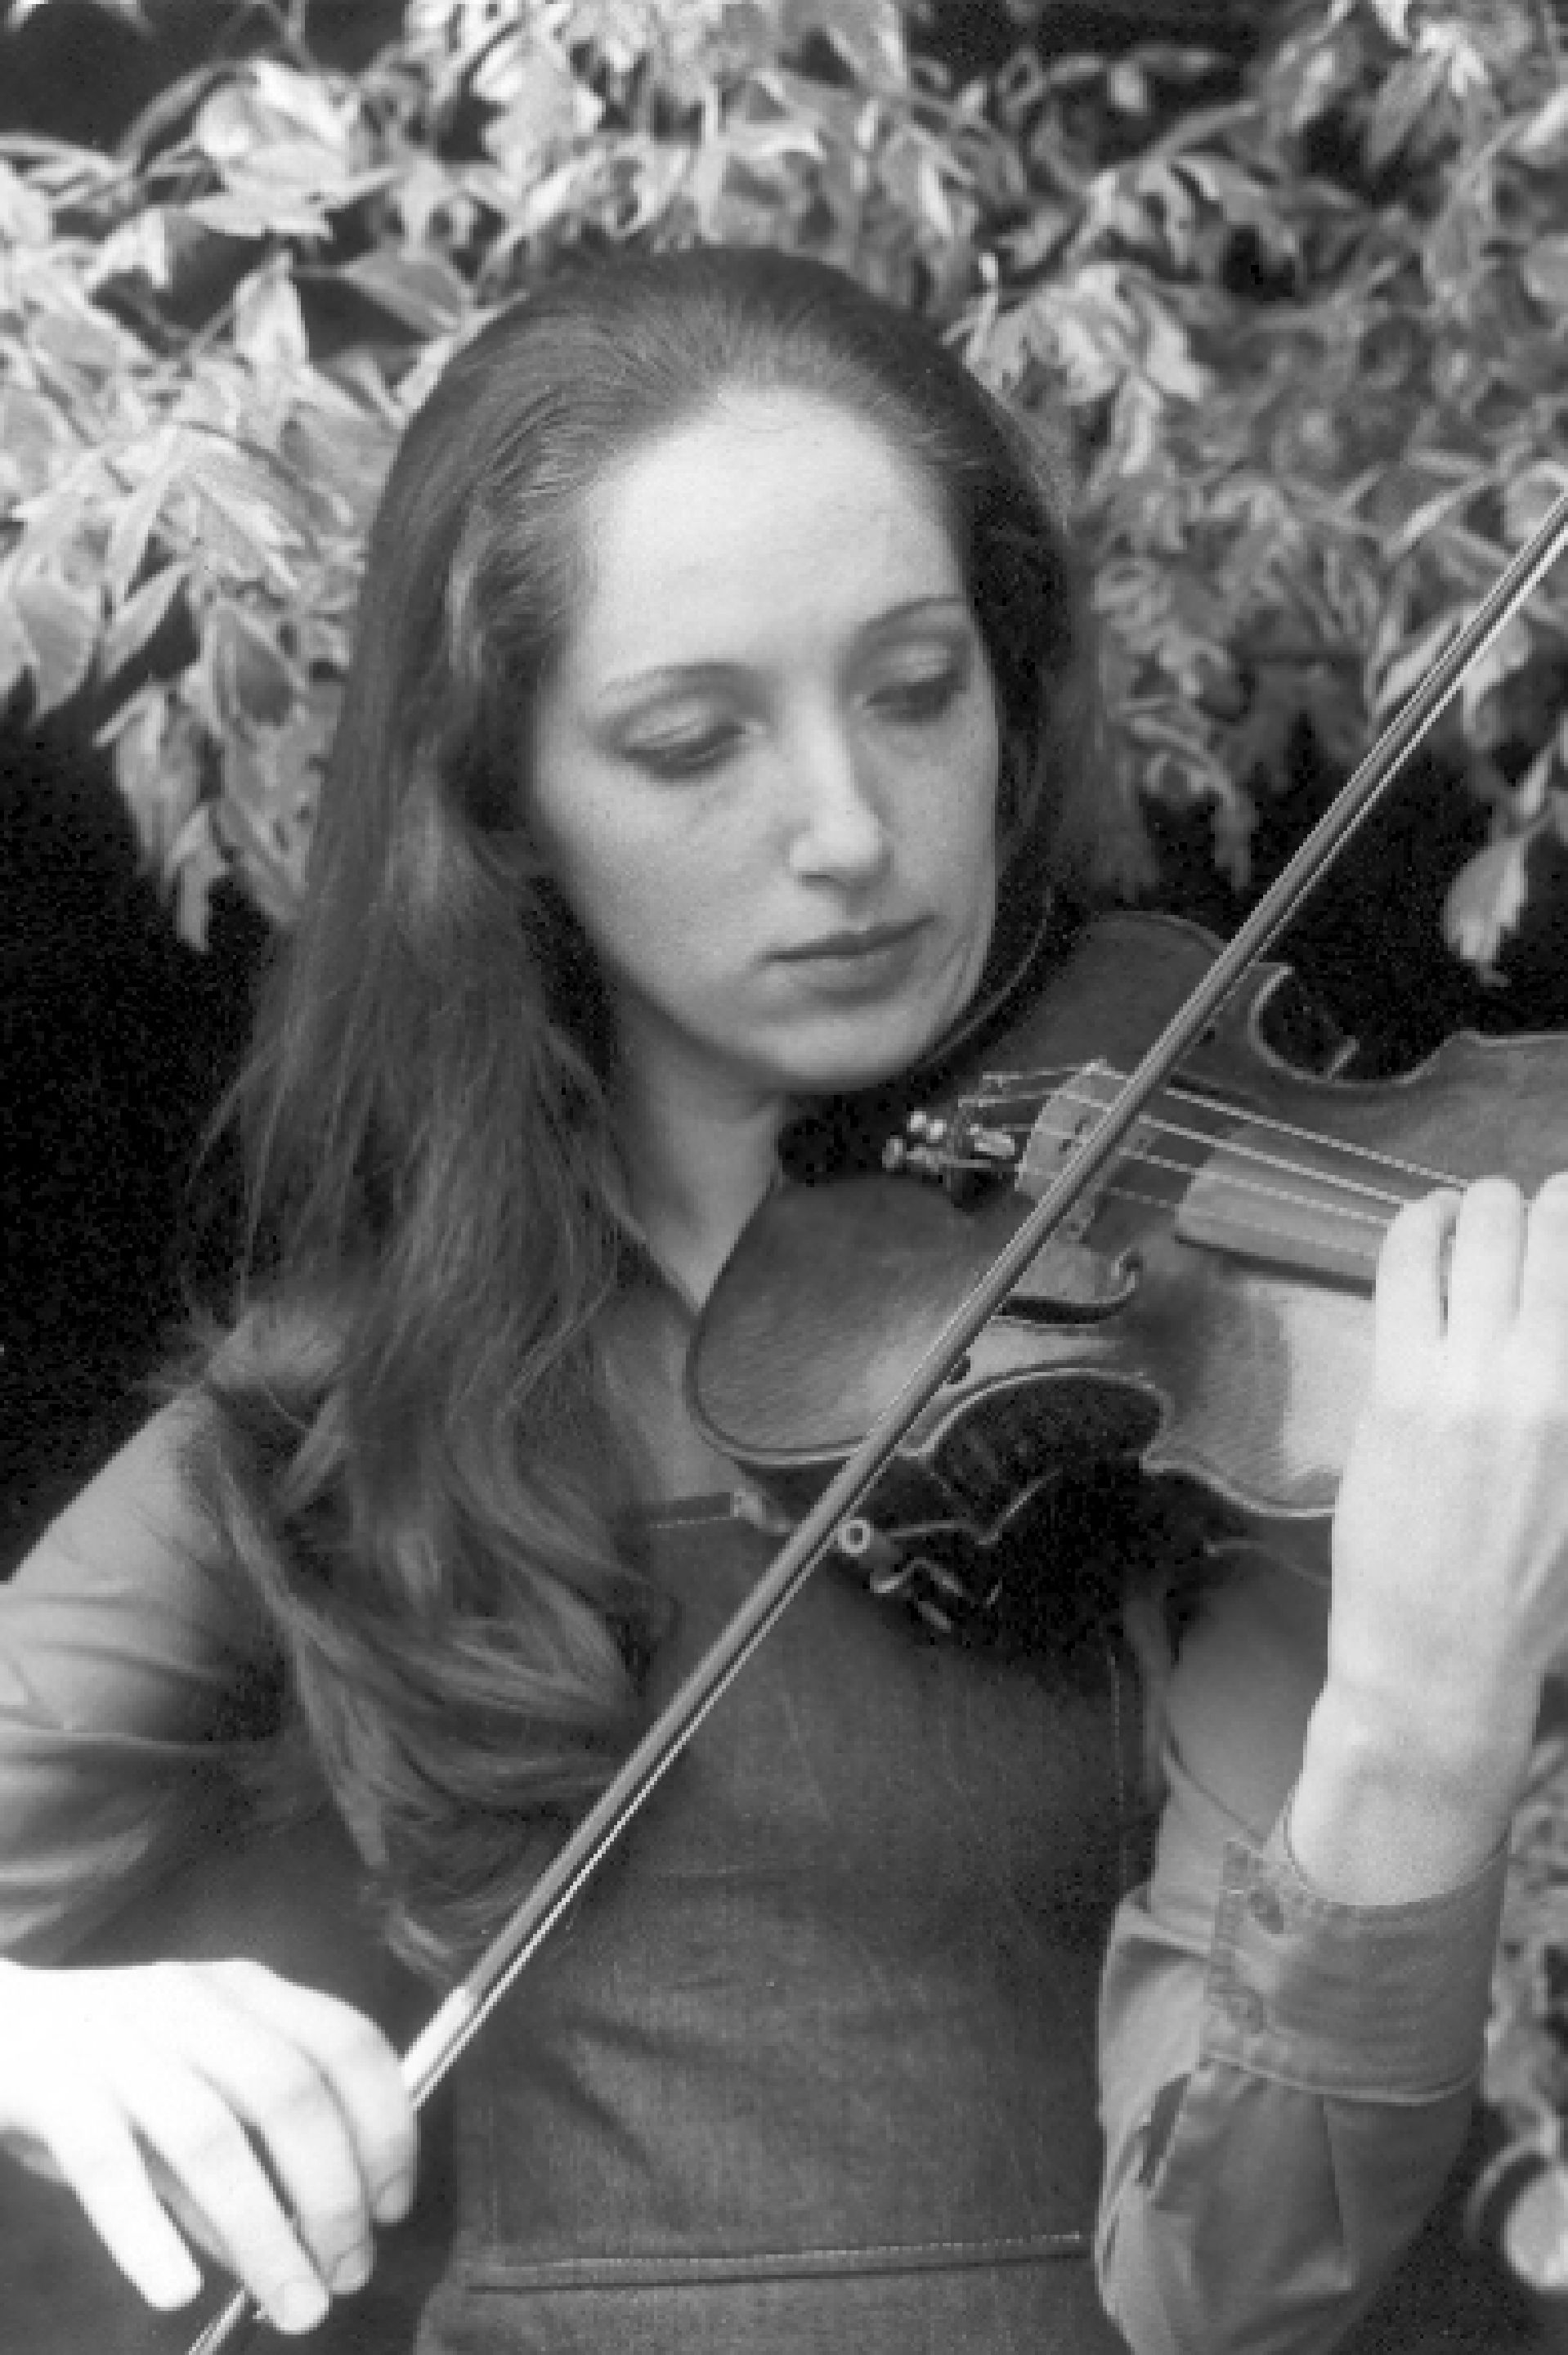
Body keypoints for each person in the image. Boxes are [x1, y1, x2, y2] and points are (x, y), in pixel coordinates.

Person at [1, 244, 1565, 2355]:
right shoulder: (343, 1414)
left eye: (915, 691)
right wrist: (34, 2038)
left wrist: (1426, 1713)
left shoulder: (1215, 1374)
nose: (848, 829)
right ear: (506, 808)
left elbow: (1228, 2281)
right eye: (688, 741)